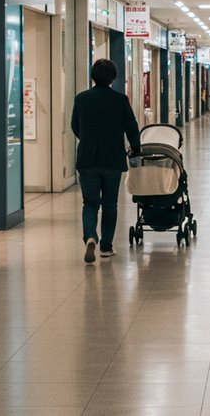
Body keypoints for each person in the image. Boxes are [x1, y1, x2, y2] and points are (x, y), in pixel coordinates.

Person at [71, 59, 141, 264]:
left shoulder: (82, 98)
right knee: (110, 203)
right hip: (112, 158)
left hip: (87, 158)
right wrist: (135, 148)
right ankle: (106, 247)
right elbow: (131, 126)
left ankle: (90, 236)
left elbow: (75, 125)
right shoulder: (120, 100)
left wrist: (87, 139)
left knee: (90, 203)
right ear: (113, 77)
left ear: (93, 76)